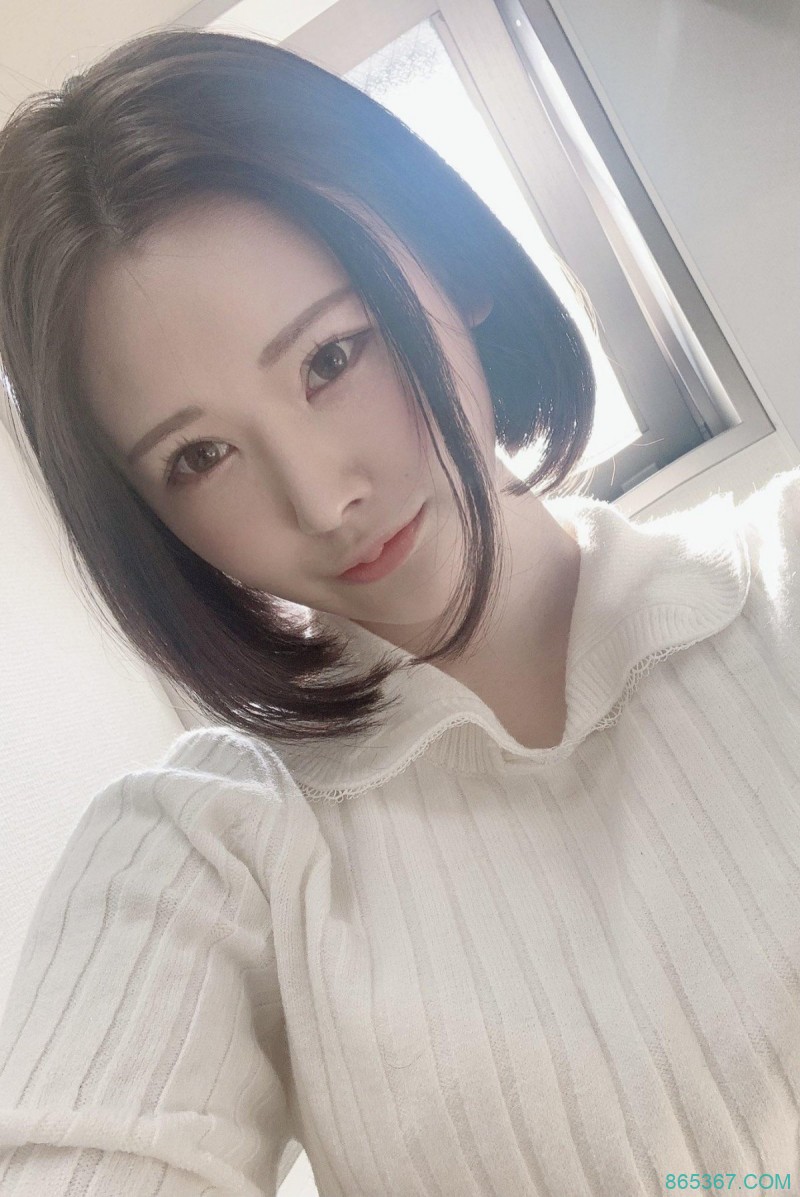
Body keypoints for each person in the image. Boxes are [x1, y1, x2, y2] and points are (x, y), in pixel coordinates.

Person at [0, 25, 798, 1197]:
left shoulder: (779, 576)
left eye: (330, 357)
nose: (322, 498)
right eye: (200, 456)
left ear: (448, 269)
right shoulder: (206, 843)